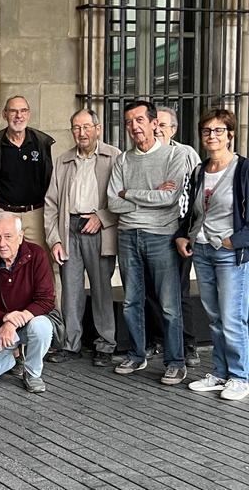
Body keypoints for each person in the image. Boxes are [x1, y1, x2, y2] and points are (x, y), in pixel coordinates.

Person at [107, 100, 190, 385]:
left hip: (162, 236)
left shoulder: (173, 156)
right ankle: (137, 354)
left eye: (140, 120)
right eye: (129, 121)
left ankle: (175, 361)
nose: (134, 126)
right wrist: (147, 195)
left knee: (169, 304)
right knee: (131, 301)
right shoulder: (123, 159)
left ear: (155, 123)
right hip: (128, 235)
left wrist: (130, 192)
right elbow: (113, 202)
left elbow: (170, 198)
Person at [176, 108, 249, 401]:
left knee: (233, 318)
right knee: (215, 317)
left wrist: (235, 241)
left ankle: (241, 377)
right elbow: (187, 210)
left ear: (230, 134)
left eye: (219, 130)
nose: (212, 136)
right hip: (203, 251)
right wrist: (182, 235)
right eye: (207, 131)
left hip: (230, 253)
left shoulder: (243, 170)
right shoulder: (198, 171)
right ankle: (220, 373)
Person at [43, 109, 120, 366]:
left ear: (98, 129)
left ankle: (105, 345)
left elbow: (122, 198)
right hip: (70, 228)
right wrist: (54, 239)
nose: (82, 133)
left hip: (98, 227)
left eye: (87, 127)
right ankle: (71, 344)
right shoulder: (63, 160)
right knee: (71, 290)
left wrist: (102, 218)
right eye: (76, 128)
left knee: (102, 289)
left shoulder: (113, 157)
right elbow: (51, 204)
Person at [0, 212, 55, 393]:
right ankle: (12, 358)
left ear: (20, 236)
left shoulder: (37, 255)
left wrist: (14, 321)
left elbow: (46, 300)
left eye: (8, 237)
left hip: (29, 322)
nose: (1, 243)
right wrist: (4, 318)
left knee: (42, 326)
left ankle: (32, 373)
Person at [145, 106, 203, 366]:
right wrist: (155, 189)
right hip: (153, 228)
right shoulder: (144, 155)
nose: (157, 130)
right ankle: (159, 340)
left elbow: (196, 189)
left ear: (174, 129)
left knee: (178, 290)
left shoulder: (187, 154)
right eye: (155, 125)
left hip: (179, 229)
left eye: (163, 126)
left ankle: (188, 344)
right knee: (152, 290)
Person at [0, 96, 55, 252]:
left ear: (28, 114)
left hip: (35, 214)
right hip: (5, 213)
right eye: (13, 111)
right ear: (4, 114)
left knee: (41, 263)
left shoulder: (41, 143)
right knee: (5, 262)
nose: (18, 116)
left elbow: (49, 179)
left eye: (23, 111)